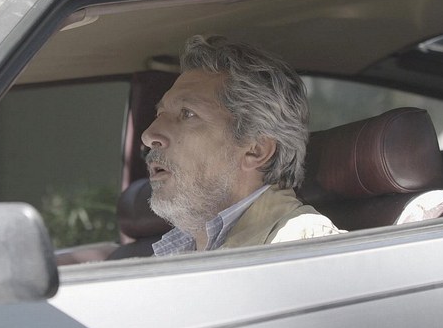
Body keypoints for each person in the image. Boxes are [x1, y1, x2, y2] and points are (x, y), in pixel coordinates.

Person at [142, 35, 343, 256]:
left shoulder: (302, 246)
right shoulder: (176, 251)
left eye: (187, 114)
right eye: (160, 114)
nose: (148, 135)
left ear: (256, 150)